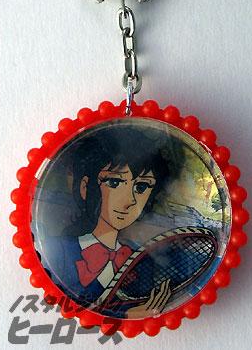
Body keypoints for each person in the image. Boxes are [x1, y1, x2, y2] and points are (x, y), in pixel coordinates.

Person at [41, 125, 174, 318]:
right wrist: (127, 315)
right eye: (114, 182)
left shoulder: (141, 262)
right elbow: (64, 305)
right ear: (85, 187)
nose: (130, 200)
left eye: (142, 187)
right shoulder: (57, 251)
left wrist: (137, 314)